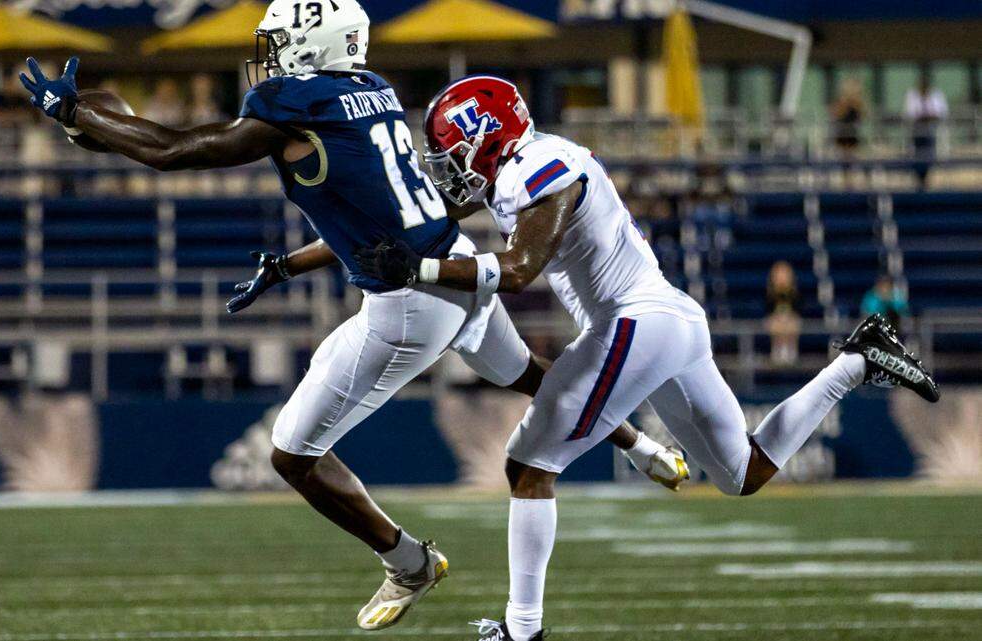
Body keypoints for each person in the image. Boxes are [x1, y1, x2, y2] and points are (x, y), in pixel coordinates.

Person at [17, 1, 684, 630]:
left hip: (409, 303)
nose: (269, 59)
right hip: (450, 259)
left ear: (310, 45)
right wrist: (84, 121)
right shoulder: (372, 88)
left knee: (292, 453)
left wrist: (74, 110)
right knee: (529, 375)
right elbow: (379, 212)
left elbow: (172, 150)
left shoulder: (296, 103)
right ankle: (644, 446)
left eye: (277, 45)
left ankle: (408, 562)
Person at [352, 75, 941, 641]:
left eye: (452, 152)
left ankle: (520, 631)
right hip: (666, 323)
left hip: (635, 321)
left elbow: (518, 271)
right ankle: (859, 361)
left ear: (485, 139)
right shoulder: (528, 165)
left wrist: (420, 270)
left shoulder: (537, 171)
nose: (448, 166)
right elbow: (432, 216)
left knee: (529, 468)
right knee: (743, 475)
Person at [904, 76, 947, 189]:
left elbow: (940, 113)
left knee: (929, 155)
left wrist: (925, 116)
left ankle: (926, 180)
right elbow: (911, 114)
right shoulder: (912, 95)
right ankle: (919, 180)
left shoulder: (936, 95)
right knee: (917, 155)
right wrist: (925, 116)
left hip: (930, 131)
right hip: (917, 131)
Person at [765, 260, 802, 366]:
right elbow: (768, 312)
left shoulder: (795, 294)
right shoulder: (769, 294)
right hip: (775, 323)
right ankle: (778, 350)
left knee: (790, 321)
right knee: (777, 322)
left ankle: (790, 351)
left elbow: (798, 311)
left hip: (791, 323)